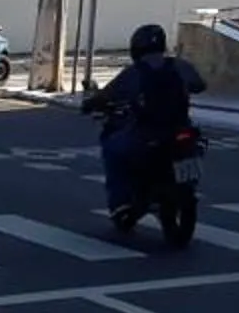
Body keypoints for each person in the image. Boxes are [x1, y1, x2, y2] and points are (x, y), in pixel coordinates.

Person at [85, 24, 205, 218]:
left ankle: (121, 202)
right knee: (194, 147)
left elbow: (108, 95)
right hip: (181, 128)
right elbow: (200, 85)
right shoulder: (179, 66)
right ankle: (184, 186)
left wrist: (92, 102)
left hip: (146, 132)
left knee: (112, 149)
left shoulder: (135, 72)